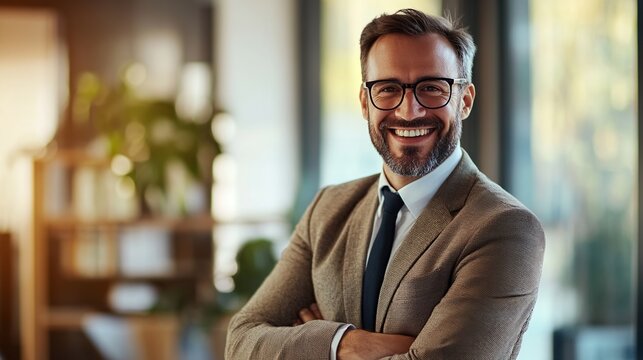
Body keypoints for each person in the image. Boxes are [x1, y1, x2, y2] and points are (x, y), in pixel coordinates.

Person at [225, 8, 545, 360]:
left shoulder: (505, 227)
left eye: (432, 88)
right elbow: (242, 341)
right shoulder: (328, 209)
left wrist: (306, 343)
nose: (409, 111)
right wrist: (343, 343)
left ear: (465, 100)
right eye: (388, 89)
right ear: (365, 102)